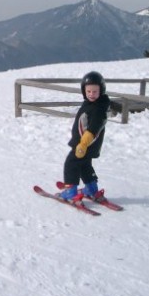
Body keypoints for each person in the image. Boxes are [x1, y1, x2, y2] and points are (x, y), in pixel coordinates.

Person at [58, 71, 110, 205]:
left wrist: (82, 144)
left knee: (71, 164)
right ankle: (91, 189)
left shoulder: (98, 109)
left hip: (84, 144)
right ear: (84, 91)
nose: (92, 94)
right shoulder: (92, 104)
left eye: (95, 91)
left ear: (101, 91)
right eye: (89, 91)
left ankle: (71, 191)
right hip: (87, 144)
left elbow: (93, 130)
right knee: (84, 166)